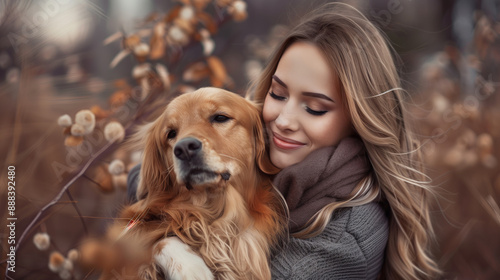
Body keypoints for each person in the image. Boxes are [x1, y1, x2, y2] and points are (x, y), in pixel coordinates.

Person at [128, 2, 441, 279]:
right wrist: (166, 245)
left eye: (315, 108)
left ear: (359, 121)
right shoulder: (266, 145)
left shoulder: (349, 239)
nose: (283, 120)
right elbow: (149, 181)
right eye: (277, 94)